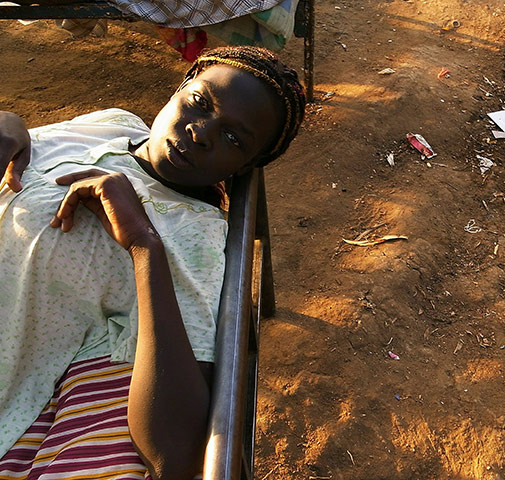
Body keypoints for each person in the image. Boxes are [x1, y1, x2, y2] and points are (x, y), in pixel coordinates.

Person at [0, 45, 305, 480]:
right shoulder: (113, 125)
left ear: (247, 165)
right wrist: (11, 125)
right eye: (199, 102)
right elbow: (27, 141)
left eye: (233, 138)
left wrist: (143, 243)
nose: (201, 133)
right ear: (182, 86)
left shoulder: (195, 234)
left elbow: (174, 453)